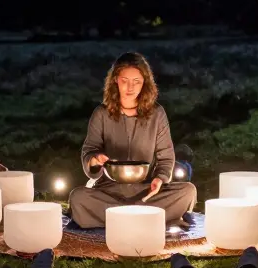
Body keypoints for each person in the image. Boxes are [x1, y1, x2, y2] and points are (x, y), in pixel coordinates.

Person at [67, 52, 197, 229]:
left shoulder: (157, 114)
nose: (130, 87)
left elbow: (166, 157)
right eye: (124, 80)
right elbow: (89, 151)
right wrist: (95, 159)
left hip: (146, 191)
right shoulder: (101, 114)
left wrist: (160, 179)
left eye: (136, 81)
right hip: (109, 190)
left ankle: (119, 218)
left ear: (145, 83)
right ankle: (147, 217)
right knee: (78, 197)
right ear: (115, 80)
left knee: (188, 191)